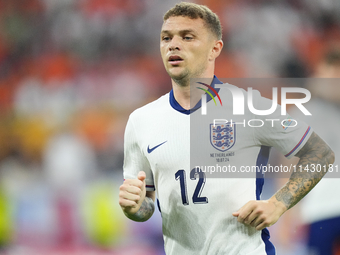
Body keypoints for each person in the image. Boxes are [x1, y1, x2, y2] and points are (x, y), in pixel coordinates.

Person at [118, 2, 335, 255]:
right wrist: (134, 208)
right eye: (166, 38)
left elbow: (320, 153)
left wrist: (278, 204)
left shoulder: (251, 107)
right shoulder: (141, 121)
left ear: (215, 49)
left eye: (188, 37)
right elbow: (146, 205)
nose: (173, 45)